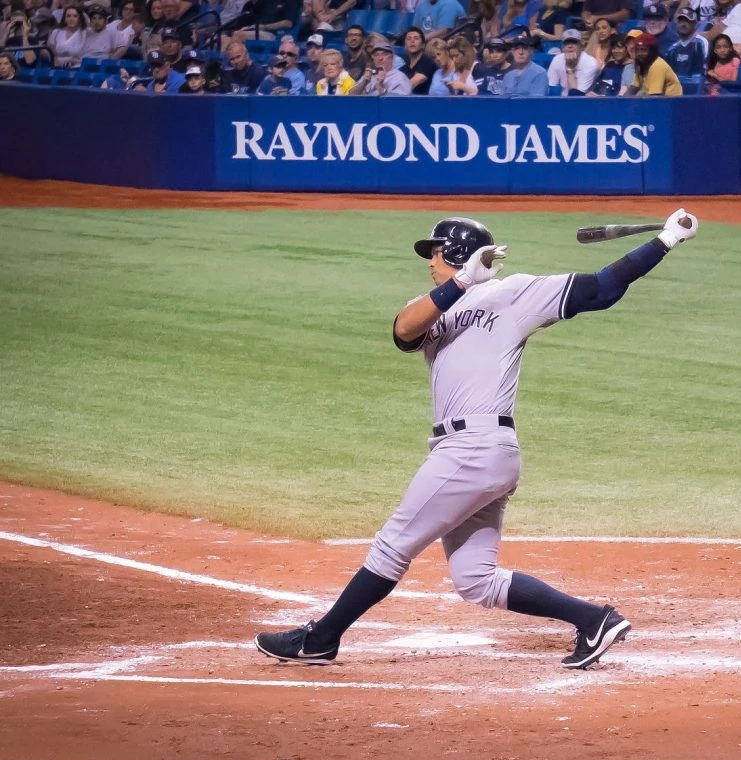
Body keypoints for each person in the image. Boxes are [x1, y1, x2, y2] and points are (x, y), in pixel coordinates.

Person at [255, 209, 702, 669]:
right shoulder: (434, 303)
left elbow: (603, 287)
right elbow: (402, 332)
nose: (429, 261)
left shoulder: (515, 292)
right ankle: (594, 620)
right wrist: (460, 283)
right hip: (472, 454)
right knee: (475, 580)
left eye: (434, 252)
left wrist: (665, 240)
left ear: (455, 251)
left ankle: (322, 638)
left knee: (393, 545)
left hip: (477, 448)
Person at [548, 27, 599, 95]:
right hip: (562, 100)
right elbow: (552, 86)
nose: (570, 46)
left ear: (581, 47)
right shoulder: (557, 60)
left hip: (585, 101)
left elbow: (576, 95)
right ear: (562, 48)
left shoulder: (590, 63)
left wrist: (570, 69)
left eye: (574, 42)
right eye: (567, 43)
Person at [629, 29, 681, 96]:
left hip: (672, 103)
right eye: (637, 50)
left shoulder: (657, 66)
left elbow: (654, 98)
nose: (639, 54)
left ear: (652, 51)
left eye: (643, 50)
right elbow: (633, 88)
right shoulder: (641, 64)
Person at [663, 7, 707, 80]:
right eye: (681, 21)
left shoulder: (700, 43)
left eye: (687, 21)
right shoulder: (672, 49)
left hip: (695, 87)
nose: (683, 24)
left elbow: (701, 72)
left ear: (695, 24)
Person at [47, 3, 86, 68]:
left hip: (77, 67)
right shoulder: (56, 32)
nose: (71, 19)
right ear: (64, 19)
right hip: (58, 67)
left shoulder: (84, 33)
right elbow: (50, 52)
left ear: (79, 19)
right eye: (68, 16)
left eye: (75, 16)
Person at [400, 26, 434, 93]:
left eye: (416, 38)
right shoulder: (403, 69)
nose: (412, 41)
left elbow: (412, 84)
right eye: (409, 39)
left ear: (423, 45)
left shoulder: (427, 62)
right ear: (405, 46)